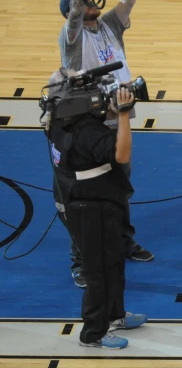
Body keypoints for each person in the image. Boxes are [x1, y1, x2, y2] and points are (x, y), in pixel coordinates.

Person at [59, 0, 152, 264]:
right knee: (85, 193)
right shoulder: (71, 39)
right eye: (85, 0)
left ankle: (124, 241)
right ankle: (80, 257)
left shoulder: (109, 24)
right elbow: (74, 8)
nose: (90, 1)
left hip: (117, 117)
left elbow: (128, 1)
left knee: (121, 186)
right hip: (88, 126)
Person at [47, 83, 147, 349]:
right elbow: (122, 154)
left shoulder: (57, 123)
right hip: (91, 208)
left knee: (113, 263)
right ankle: (93, 333)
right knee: (99, 271)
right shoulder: (89, 133)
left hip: (92, 202)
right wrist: (123, 115)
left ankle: (114, 316)